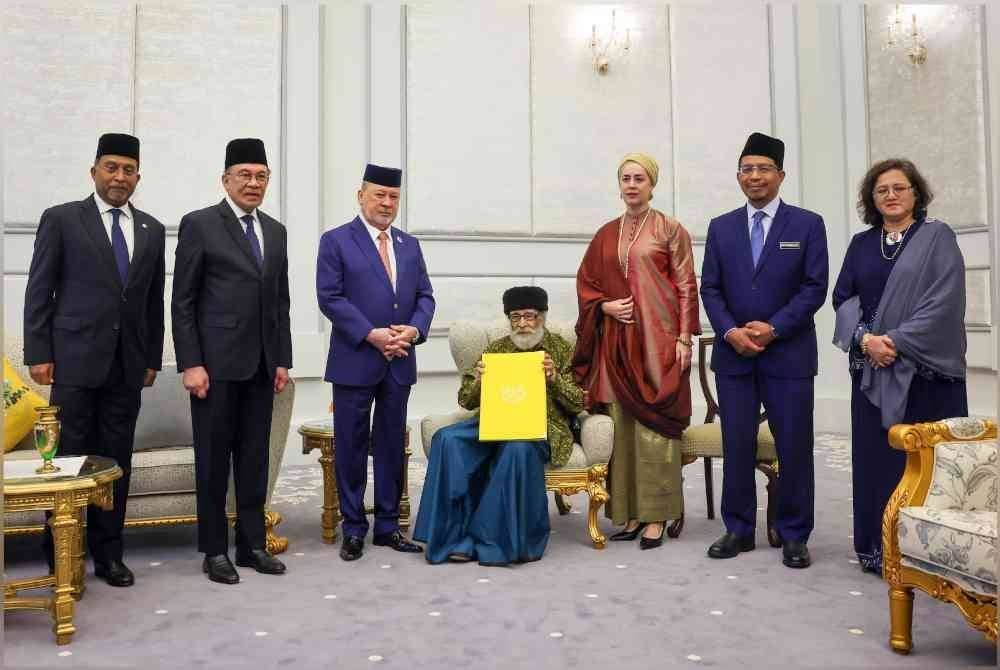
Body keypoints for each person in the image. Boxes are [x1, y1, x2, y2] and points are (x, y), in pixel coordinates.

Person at [23, 133, 165, 587]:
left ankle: (109, 554)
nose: (119, 177)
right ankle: (61, 554)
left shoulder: (152, 229)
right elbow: (39, 289)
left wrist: (151, 358)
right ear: (94, 172)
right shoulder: (63, 219)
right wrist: (39, 352)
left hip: (127, 368)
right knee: (67, 461)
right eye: (111, 167)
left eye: (128, 170)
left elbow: (152, 302)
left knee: (115, 462)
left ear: (138, 177)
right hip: (74, 363)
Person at [832, 158, 967, 574]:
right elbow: (843, 299)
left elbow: (945, 302)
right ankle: (878, 548)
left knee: (927, 466)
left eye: (899, 188)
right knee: (877, 463)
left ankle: (930, 555)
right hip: (872, 371)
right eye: (881, 190)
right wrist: (866, 341)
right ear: (871, 199)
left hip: (926, 375)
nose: (891, 196)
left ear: (915, 193)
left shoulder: (937, 237)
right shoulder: (861, 244)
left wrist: (895, 342)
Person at [700, 132, 828, 569]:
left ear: (781, 175)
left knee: (794, 445)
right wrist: (729, 331)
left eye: (763, 169)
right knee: (737, 444)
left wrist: (774, 329)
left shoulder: (807, 225)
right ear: (739, 176)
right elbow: (710, 288)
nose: (754, 176)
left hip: (789, 355)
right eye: (747, 169)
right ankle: (738, 528)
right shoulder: (721, 227)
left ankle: (793, 533)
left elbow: (814, 288)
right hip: (734, 356)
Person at [172, 138, 292, 584]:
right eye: (244, 175)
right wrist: (191, 363)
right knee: (213, 460)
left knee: (254, 458)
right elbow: (183, 301)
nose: (253, 183)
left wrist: (282, 359)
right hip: (214, 368)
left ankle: (252, 545)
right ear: (225, 180)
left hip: (261, 366)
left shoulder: (275, 231)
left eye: (261, 176)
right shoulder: (200, 224)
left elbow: (280, 302)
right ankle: (214, 550)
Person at [573, 153, 700, 550]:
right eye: (626, 178)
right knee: (620, 425)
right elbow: (586, 281)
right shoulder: (605, 234)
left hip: (658, 344)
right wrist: (604, 306)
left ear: (652, 184)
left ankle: (657, 516)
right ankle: (628, 514)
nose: (631, 185)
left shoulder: (670, 229)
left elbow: (686, 285)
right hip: (615, 344)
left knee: (653, 431)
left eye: (639, 178)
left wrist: (684, 338)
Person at [414, 286, 583, 565]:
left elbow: (578, 403)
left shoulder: (561, 349)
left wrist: (554, 379)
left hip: (540, 427)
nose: (522, 324)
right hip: (494, 423)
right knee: (447, 439)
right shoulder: (495, 350)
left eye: (529, 316)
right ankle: (450, 537)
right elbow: (466, 401)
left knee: (517, 448)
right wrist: (479, 382)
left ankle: (487, 540)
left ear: (542, 317)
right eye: (515, 317)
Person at [317, 164, 435, 562]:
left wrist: (414, 330)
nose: (387, 203)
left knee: (390, 445)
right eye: (379, 195)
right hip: (355, 359)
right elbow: (330, 297)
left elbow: (425, 296)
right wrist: (371, 334)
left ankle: (387, 527)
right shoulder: (336, 241)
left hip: (399, 359)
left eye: (393, 196)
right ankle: (353, 528)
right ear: (361, 195)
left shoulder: (409, 244)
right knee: (350, 446)